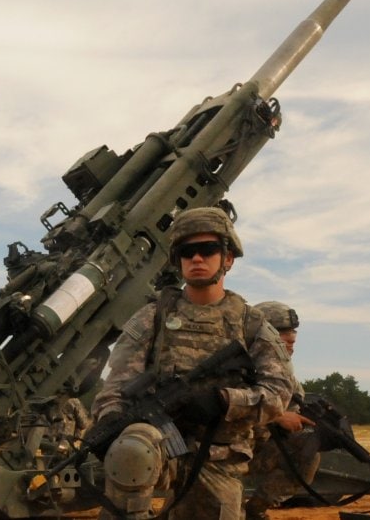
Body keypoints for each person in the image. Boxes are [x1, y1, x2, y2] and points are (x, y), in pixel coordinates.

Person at [90, 206, 293, 519]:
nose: (197, 258)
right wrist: (110, 417)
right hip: (158, 447)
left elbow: (279, 393)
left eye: (208, 249)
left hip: (218, 455)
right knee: (130, 450)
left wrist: (224, 400)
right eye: (187, 252)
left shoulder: (251, 324)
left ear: (228, 258)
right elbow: (117, 385)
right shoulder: (152, 317)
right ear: (178, 259)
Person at [244, 301, 320, 520]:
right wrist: (276, 416)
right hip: (222, 452)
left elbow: (294, 407)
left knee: (307, 451)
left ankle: (255, 510)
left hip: (256, 451)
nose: (290, 348)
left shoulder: (286, 378)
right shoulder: (235, 367)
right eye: (284, 342)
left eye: (292, 342)